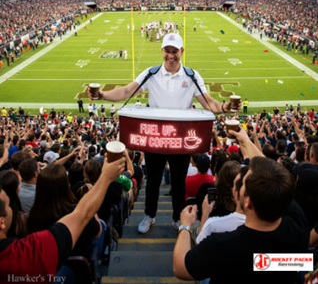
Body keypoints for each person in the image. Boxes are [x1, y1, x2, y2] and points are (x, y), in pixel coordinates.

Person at [88, 32, 240, 234]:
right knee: (153, 181)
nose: (170, 56)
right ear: (162, 51)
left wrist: (225, 106)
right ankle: (149, 215)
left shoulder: (192, 75)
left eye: (174, 51)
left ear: (182, 51)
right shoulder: (151, 73)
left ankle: (178, 218)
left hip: (180, 140)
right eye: (167, 51)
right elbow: (126, 91)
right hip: (156, 139)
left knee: (178, 182)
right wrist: (102, 95)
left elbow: (210, 103)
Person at [173, 126, 310, 284]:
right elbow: (277, 176)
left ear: (247, 201)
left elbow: (180, 268)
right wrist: (246, 141)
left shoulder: (222, 245)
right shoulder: (298, 226)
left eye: (241, 183)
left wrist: (185, 226)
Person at [0, 155, 125, 279]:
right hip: (79, 272)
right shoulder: (27, 253)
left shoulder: (32, 217)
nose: (12, 207)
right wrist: (105, 178)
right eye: (8, 206)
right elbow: (86, 218)